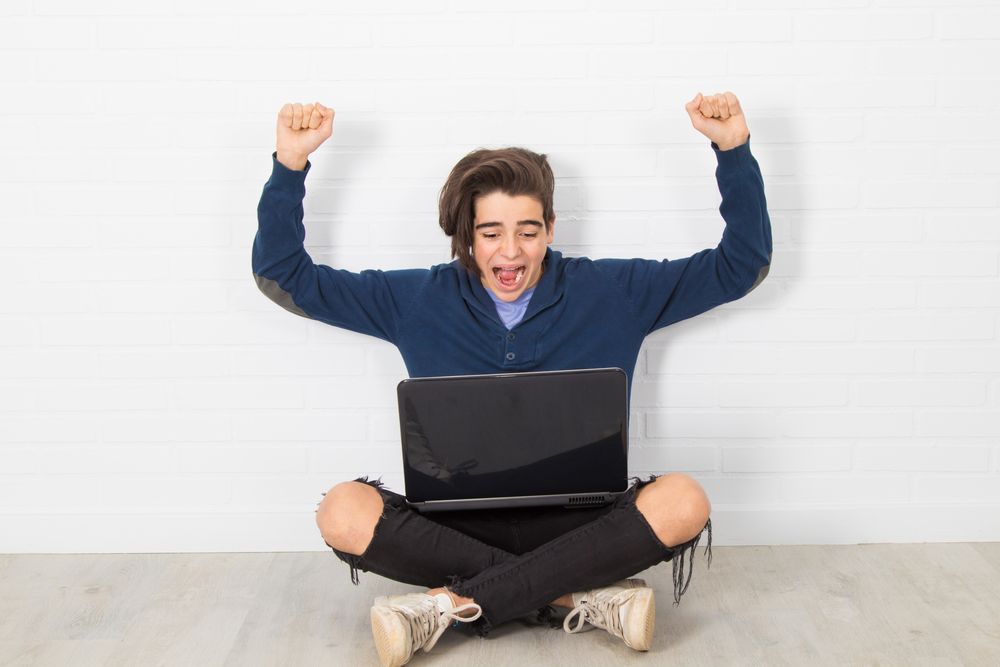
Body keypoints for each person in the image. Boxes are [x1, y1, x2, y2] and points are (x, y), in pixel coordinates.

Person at [252, 92, 771, 667]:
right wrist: (290, 164)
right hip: (455, 530)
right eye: (491, 232)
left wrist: (732, 150)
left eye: (527, 230)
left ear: (549, 228)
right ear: (466, 237)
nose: (511, 251)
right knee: (341, 509)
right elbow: (283, 276)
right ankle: (575, 596)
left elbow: (739, 264)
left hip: (583, 526)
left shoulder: (616, 291)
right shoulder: (415, 299)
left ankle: (447, 606)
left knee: (684, 499)